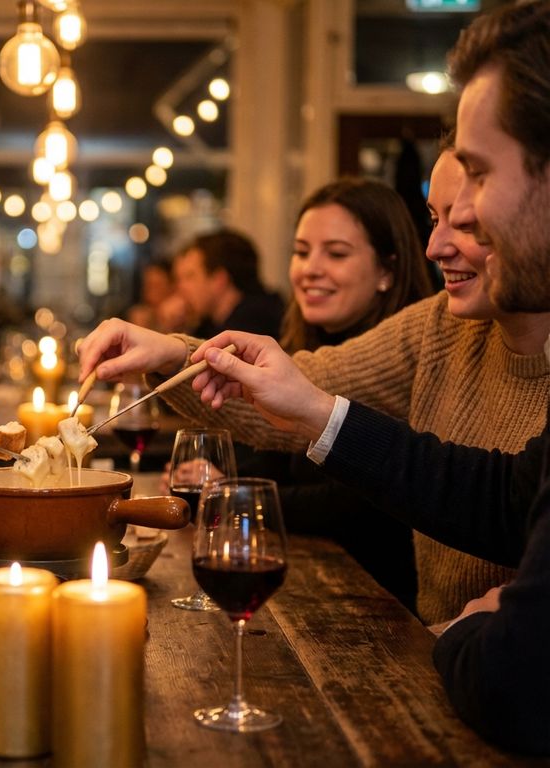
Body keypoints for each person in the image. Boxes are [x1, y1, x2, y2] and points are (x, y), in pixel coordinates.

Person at [164, 3, 550, 753]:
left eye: (476, 177)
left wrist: (466, 631)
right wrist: (174, 358)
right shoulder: (443, 327)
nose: (454, 228)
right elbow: (498, 495)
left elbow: (519, 682)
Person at [87, 178, 436, 610]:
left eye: (337, 253)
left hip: (378, 606)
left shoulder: (404, 357)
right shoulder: (309, 340)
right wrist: (216, 472)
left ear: (388, 269)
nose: (310, 268)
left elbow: (358, 502)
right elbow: (271, 443)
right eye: (302, 251)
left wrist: (229, 493)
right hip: (313, 589)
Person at [172, 228, 285, 339]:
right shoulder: (210, 324)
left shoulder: (253, 328)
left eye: (190, 277)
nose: (180, 288)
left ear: (219, 280)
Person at [126, 259, 188, 333]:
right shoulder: (141, 314)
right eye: (147, 285)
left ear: (171, 286)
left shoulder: (181, 315)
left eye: (156, 286)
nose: (148, 292)